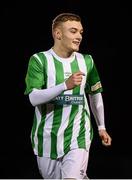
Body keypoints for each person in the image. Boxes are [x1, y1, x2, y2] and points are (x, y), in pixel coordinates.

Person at [24, 12, 112, 179]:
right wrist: (65, 85)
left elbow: (95, 95)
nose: (79, 36)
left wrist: (101, 127)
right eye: (73, 31)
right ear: (58, 34)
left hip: (78, 135)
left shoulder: (87, 61)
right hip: (47, 138)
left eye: (81, 32)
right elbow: (33, 98)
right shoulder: (40, 60)